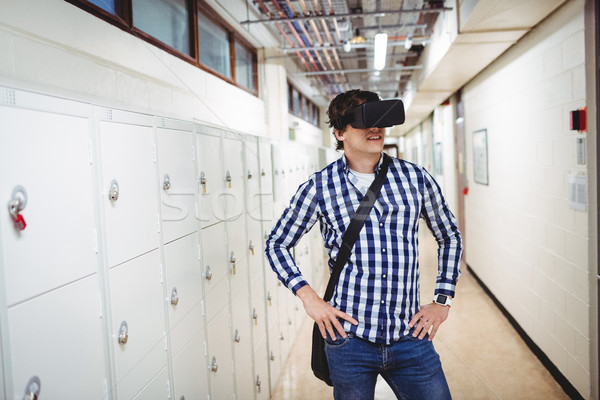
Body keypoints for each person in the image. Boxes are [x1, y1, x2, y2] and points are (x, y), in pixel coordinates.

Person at [265, 89, 463, 400]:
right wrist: (309, 298)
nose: (376, 128)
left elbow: (449, 235)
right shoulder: (320, 187)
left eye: (380, 120)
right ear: (340, 132)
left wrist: (442, 300)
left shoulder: (415, 179)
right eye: (365, 121)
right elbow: (276, 243)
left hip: (411, 336)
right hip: (349, 340)